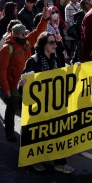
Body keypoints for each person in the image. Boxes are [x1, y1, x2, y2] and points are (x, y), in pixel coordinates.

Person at [20, 32, 75, 173]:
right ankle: (35, 160)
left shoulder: (56, 59)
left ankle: (60, 163)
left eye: (55, 43)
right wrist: (22, 84)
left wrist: (77, 69)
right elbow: (25, 86)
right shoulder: (33, 61)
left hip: (55, 103)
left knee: (58, 132)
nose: (55, 45)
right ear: (44, 44)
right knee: (37, 134)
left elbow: (64, 75)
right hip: (39, 107)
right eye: (52, 42)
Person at [0, 8, 49, 142]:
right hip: (13, 84)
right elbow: (1, 71)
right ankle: (9, 131)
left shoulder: (25, 42)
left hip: (27, 82)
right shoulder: (7, 49)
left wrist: (44, 18)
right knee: (12, 109)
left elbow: (38, 32)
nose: (25, 36)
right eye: (21, 34)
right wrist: (7, 89)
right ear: (14, 34)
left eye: (25, 33)